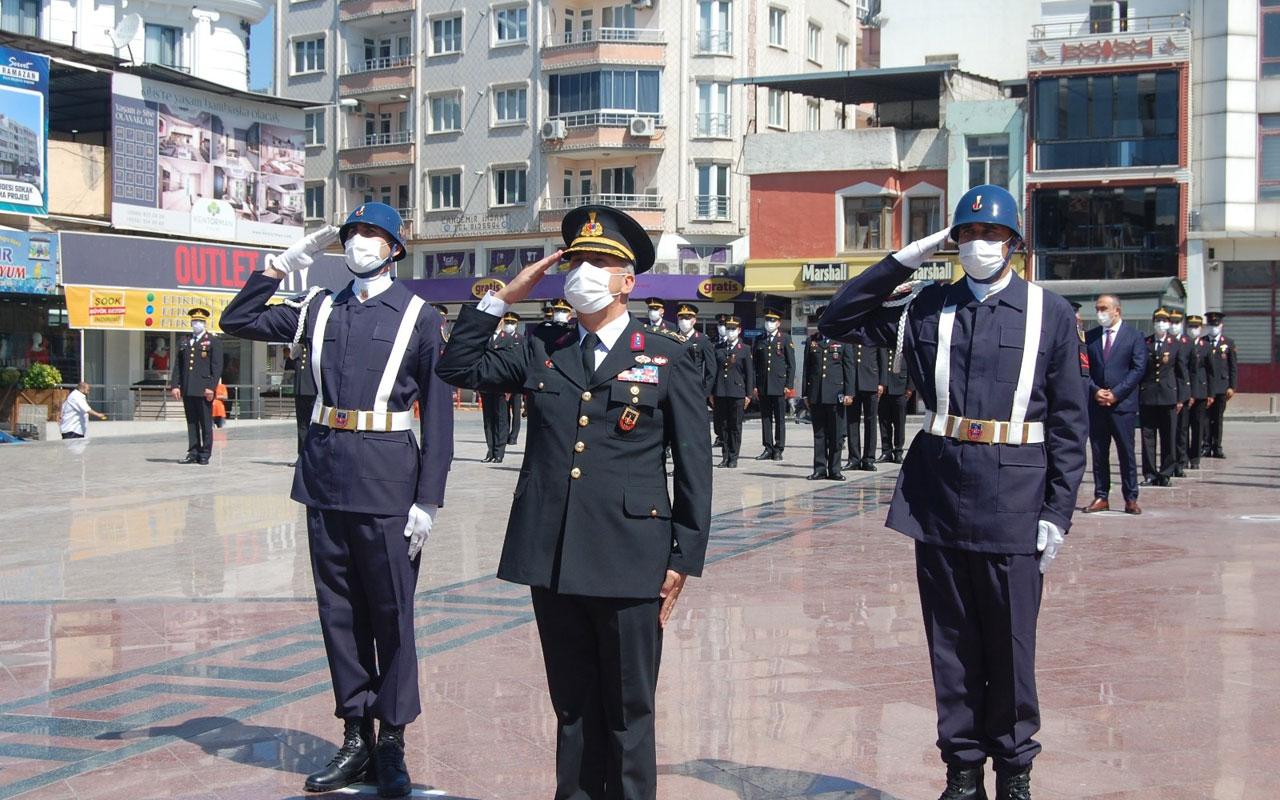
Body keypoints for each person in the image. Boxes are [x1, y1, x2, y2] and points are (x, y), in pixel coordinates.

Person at [818, 184, 1087, 800]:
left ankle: (1015, 772)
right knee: (952, 645)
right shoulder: (926, 306)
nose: (980, 245)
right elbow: (837, 319)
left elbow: (1071, 425)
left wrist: (1058, 512)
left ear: (1015, 245)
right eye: (967, 235)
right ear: (953, 243)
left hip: (1017, 496)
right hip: (939, 495)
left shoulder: (1052, 313)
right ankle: (961, 772)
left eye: (992, 236)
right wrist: (904, 259)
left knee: (1012, 645)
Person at [435, 204, 711, 800]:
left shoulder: (666, 354)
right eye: (575, 261)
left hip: (632, 555)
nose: (582, 272)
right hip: (554, 554)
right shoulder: (542, 347)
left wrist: (683, 557)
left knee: (629, 710)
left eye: (598, 263)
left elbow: (694, 463)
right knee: (572, 705)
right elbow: (456, 366)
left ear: (627, 281)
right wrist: (502, 298)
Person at [220, 202, 454, 798]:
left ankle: (392, 741)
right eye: (353, 235)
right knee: (340, 613)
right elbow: (237, 320)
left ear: (395, 248)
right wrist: (279, 265)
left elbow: (440, 414)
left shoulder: (420, 317)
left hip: (389, 484)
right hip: (326, 477)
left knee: (392, 615)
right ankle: (355, 735)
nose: (360, 244)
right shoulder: (318, 307)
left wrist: (429, 498)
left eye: (373, 235)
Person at [1083, 294, 1146, 515]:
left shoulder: (1134, 336)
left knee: (1126, 453)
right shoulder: (1090, 337)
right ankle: (1101, 496)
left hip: (1122, 405)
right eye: (1098, 308)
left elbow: (1138, 369)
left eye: (1104, 308)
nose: (1100, 312)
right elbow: (1083, 368)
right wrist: (1095, 390)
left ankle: (1130, 498)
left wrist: (1117, 393)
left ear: (1117, 310)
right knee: (1099, 452)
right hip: (1097, 403)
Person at [802, 315, 855, 481]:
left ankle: (835, 469)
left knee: (836, 434)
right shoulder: (812, 341)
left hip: (836, 394)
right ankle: (819, 469)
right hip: (816, 394)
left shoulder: (842, 340)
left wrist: (849, 393)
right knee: (819, 434)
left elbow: (849, 369)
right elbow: (807, 369)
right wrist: (805, 393)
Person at [1138, 308, 1186, 488]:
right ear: (1153, 322)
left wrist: (1181, 397)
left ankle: (1166, 473)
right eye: (1158, 320)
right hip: (1148, 395)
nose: (1161, 323)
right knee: (1148, 437)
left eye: (1164, 320)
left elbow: (1182, 374)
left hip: (1169, 395)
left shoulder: (1175, 344)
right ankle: (1150, 473)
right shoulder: (1146, 343)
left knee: (1169, 436)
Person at [169, 307, 224, 465]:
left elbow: (217, 367)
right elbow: (178, 366)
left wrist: (211, 387)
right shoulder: (184, 341)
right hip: (187, 387)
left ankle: (205, 453)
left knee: (206, 422)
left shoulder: (212, 341)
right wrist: (175, 385)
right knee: (191, 422)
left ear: (205, 323)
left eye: (199, 321)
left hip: (204, 389)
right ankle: (193, 452)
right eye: (194, 321)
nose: (196, 324)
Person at [752, 306, 795, 460]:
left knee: (779, 418)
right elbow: (754, 365)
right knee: (765, 417)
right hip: (763, 384)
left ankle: (779, 448)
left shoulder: (785, 339)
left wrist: (789, 386)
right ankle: (768, 447)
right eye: (767, 320)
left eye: (772, 320)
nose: (769, 323)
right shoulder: (760, 339)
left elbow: (791, 364)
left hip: (779, 385)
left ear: (778, 323)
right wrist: (754, 385)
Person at [712, 315, 753, 468]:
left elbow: (749, 373)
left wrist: (748, 394)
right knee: (722, 426)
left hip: (737, 392)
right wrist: (711, 392)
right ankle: (725, 455)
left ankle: (734, 456)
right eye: (728, 329)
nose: (730, 332)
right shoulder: (718, 348)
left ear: (739, 330)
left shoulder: (745, 349)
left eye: (733, 329)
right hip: (721, 391)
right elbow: (713, 371)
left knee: (735, 426)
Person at [480, 312, 522, 463]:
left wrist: (510, 386)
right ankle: (490, 450)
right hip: (486, 384)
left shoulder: (508, 339)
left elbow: (512, 364)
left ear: (502, 321)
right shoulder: (485, 338)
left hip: (501, 384)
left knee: (501, 419)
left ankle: (499, 452)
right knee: (488, 419)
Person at [841, 342, 885, 472]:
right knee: (852, 422)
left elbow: (882, 359)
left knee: (870, 421)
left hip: (871, 381)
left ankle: (868, 459)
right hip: (853, 384)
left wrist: (882, 382)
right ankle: (854, 458)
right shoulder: (850, 336)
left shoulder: (874, 335)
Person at [1201, 311, 1237, 459]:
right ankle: (1206, 445)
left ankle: (1217, 446)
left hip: (1222, 386)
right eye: (1211, 325)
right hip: (1206, 387)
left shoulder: (1228, 343)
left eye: (1216, 325)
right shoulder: (1203, 342)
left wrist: (1232, 386)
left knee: (1218, 418)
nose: (1213, 327)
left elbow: (1233, 366)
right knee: (1205, 418)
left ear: (1221, 325)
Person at [877, 349, 914, 464]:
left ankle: (898, 452)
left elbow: (912, 366)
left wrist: (910, 387)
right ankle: (886, 451)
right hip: (885, 389)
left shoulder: (904, 344)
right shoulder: (882, 345)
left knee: (899, 423)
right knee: (884, 423)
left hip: (900, 387)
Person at [1167, 310, 1192, 476]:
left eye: (1177, 322)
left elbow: (1187, 372)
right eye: (1172, 322)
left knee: (1182, 430)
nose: (1174, 325)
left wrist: (1186, 394)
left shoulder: (1187, 342)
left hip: (1181, 391)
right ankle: (1171, 461)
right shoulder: (1165, 342)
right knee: (1170, 432)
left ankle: (1181, 462)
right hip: (1167, 392)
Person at [284, 339, 317, 467]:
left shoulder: (315, 349)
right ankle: (301, 457)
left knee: (315, 426)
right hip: (300, 391)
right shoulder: (298, 349)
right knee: (302, 426)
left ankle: (314, 457)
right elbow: (290, 361)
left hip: (313, 392)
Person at [1184, 314, 1210, 469]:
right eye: (1190, 326)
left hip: (1200, 390)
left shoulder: (1205, 346)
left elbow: (1211, 372)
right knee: (1183, 427)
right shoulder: (1182, 343)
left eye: (1196, 327)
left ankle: (1195, 457)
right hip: (1185, 391)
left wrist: (1211, 394)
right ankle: (1183, 455)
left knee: (1198, 425)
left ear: (1201, 328)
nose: (1193, 329)